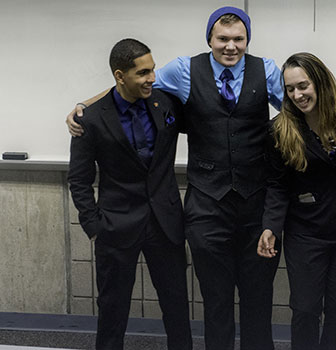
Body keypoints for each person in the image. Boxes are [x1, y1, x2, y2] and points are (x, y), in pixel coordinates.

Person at [66, 7, 284, 350]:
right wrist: (82, 106)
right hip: (201, 208)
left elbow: (304, 104)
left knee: (245, 304)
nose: (230, 46)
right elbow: (127, 86)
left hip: (248, 207)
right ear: (209, 38)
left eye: (238, 39)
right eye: (222, 39)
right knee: (213, 304)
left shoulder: (266, 70)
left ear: (248, 40)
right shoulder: (183, 70)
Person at [67, 38, 192, 350]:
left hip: (165, 223)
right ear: (120, 76)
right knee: (113, 309)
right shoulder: (91, 119)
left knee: (177, 306)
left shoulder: (166, 103)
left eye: (152, 69)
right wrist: (93, 226)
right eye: (143, 73)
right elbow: (79, 179)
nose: (152, 77)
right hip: (115, 225)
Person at [257, 52, 336, 350]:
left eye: (303, 86)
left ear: (319, 82)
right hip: (306, 231)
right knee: (305, 309)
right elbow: (276, 185)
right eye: (291, 88)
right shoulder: (280, 130)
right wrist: (270, 226)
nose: (297, 94)